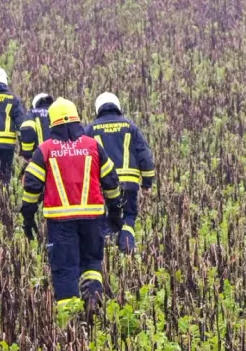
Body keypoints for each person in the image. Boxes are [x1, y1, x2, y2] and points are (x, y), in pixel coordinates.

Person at [20, 98, 124, 314]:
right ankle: (93, 298)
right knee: (92, 262)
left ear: (52, 123)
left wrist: (28, 217)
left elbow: (31, 186)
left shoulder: (45, 150)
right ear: (77, 119)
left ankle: (69, 318)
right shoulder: (93, 146)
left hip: (60, 222)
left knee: (65, 268)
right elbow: (111, 181)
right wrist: (115, 211)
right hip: (93, 217)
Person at [89, 92, 157, 254]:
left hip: (103, 183)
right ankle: (127, 246)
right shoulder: (130, 127)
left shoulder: (91, 129)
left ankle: (107, 248)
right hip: (129, 183)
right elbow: (144, 155)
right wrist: (147, 183)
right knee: (129, 215)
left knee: (105, 215)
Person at [18, 93, 53, 164]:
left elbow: (27, 129)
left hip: (40, 156)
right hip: (59, 155)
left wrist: (27, 153)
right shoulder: (56, 112)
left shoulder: (32, 113)